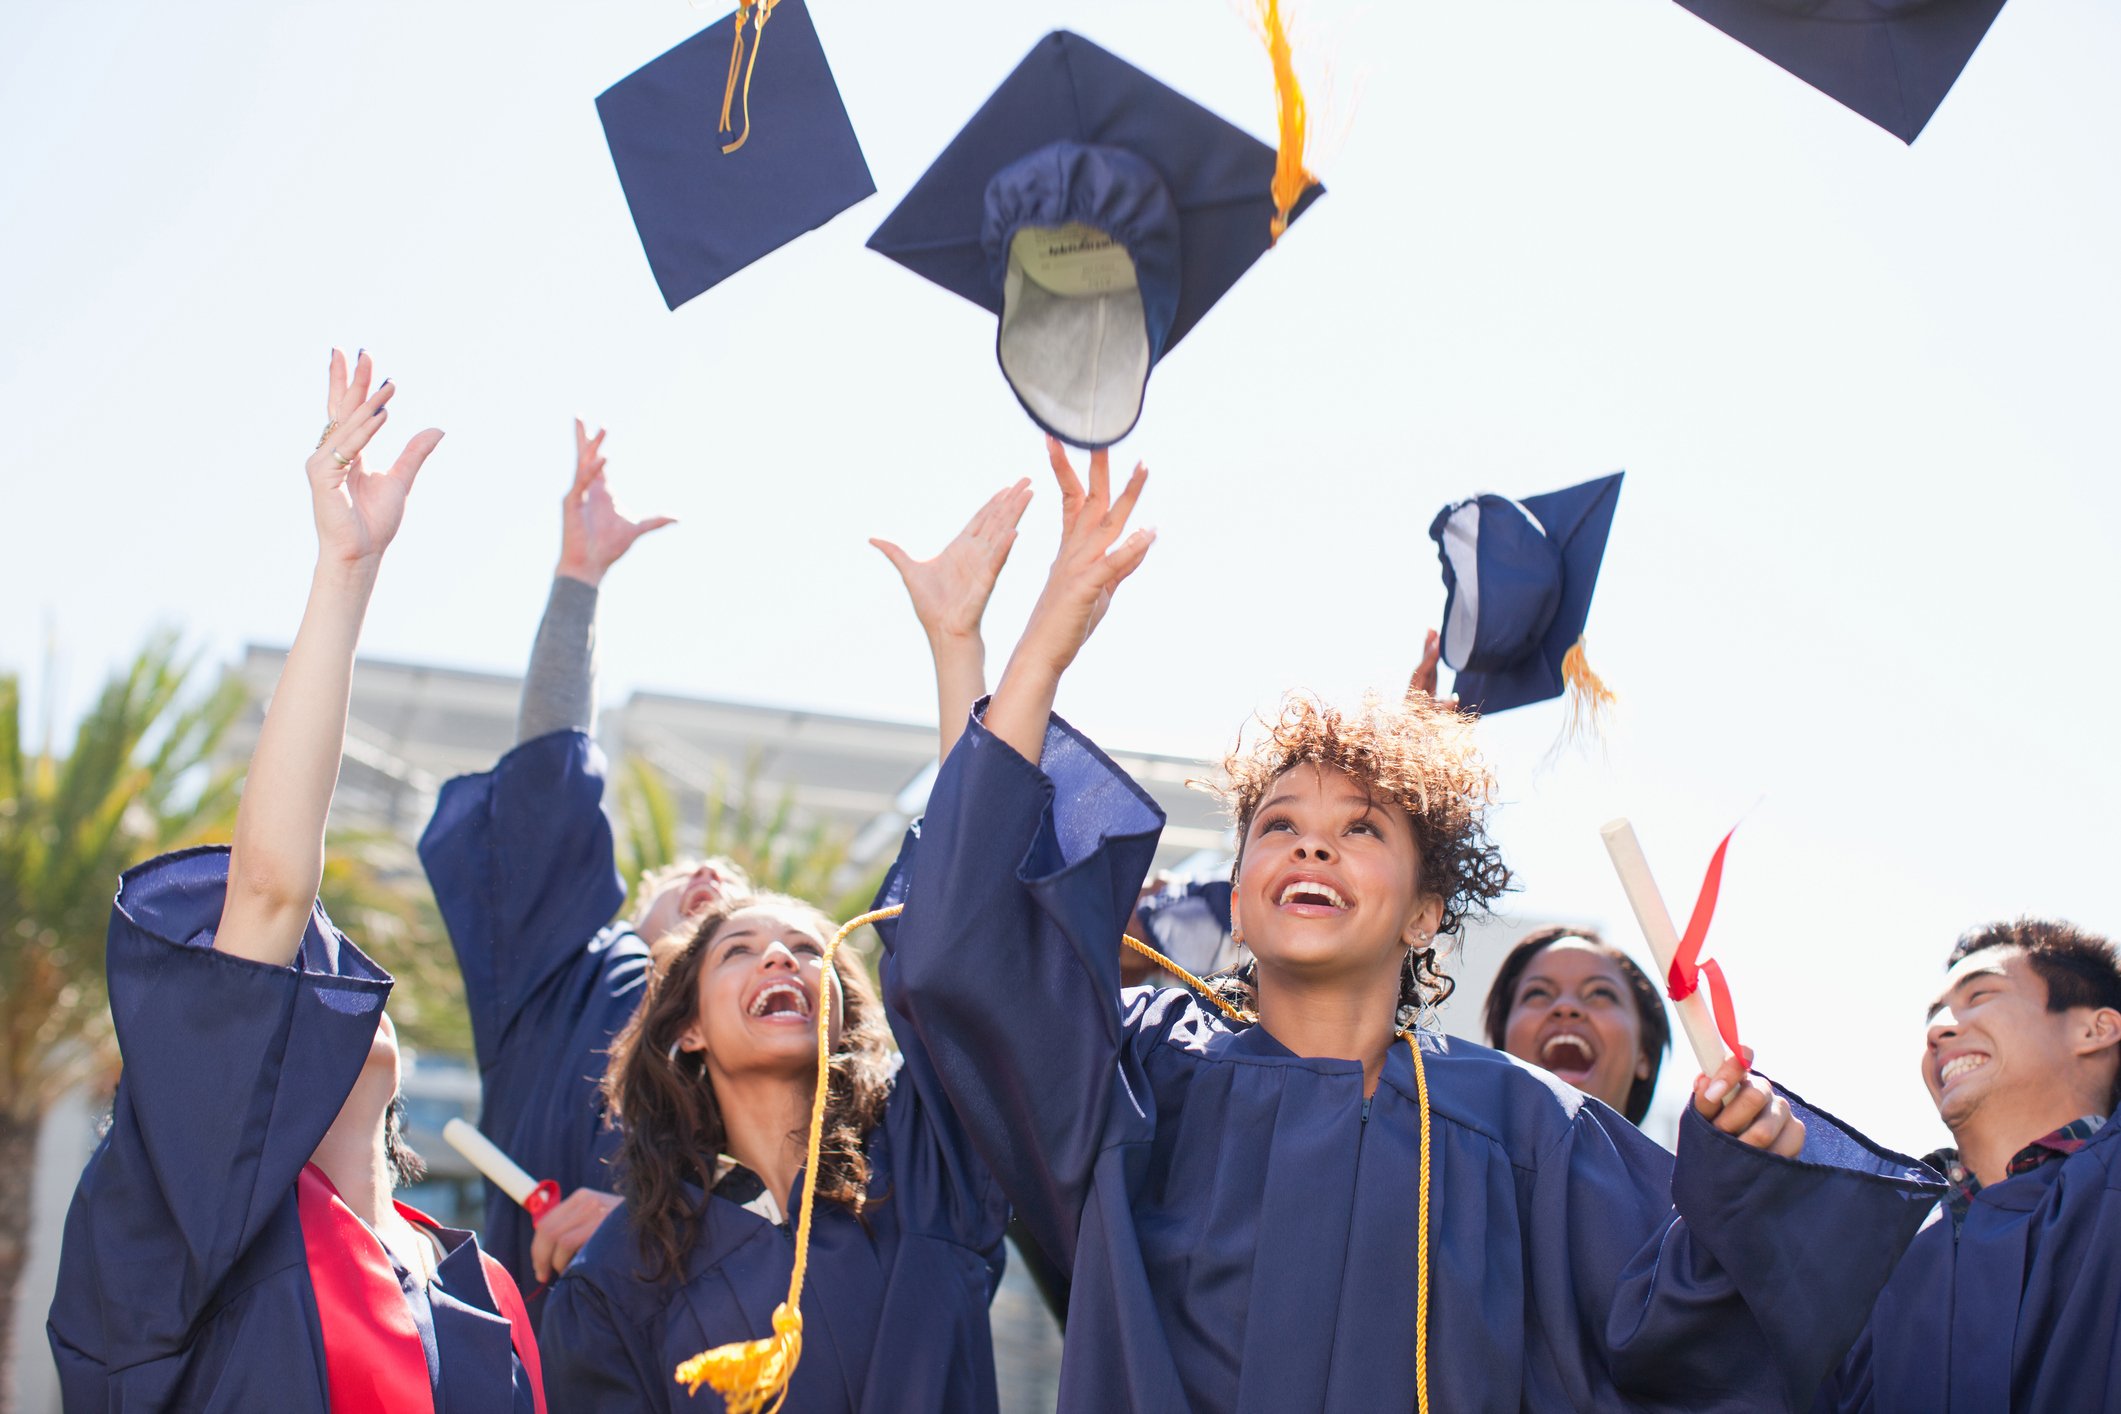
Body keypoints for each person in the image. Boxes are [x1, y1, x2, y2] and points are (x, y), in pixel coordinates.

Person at [885, 436, 1947, 1412]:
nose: (1311, 846)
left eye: (1361, 830)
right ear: (1242, 898)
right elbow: (965, 953)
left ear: (1427, 908)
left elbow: (1680, 1325)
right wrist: (1023, 649)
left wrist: (1753, 1170)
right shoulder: (1146, 1078)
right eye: (1279, 825)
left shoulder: (1521, 1125)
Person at [47, 351, 545, 1412]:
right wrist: (345, 571)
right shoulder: (193, 1219)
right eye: (281, 976)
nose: (307, 969)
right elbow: (272, 889)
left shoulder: (484, 1284)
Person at [417, 421, 748, 1300]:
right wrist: (579, 583)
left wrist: (666, 1215)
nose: (715, 883)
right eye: (694, 873)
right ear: (632, 905)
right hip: (534, 1344)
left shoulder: (768, 1034)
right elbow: (548, 780)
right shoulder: (563, 975)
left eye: (742, 920)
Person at [536, 886, 1011, 1411]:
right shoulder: (623, 1273)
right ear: (690, 1028)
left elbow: (974, 934)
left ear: (842, 1010)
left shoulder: (929, 1154)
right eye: (737, 950)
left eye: (808, 950)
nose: (781, 956)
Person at [1818, 919, 2121, 1412]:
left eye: (1980, 995)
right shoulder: (1875, 1259)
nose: (1938, 1030)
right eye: (1934, 1015)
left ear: (2095, 1029)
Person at [1484, 927, 1671, 1127]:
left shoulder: (1699, 1157)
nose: (1566, 1006)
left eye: (1600, 993)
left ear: (1643, 1053)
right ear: (1502, 1046)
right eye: (1538, 993)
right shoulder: (1449, 1154)